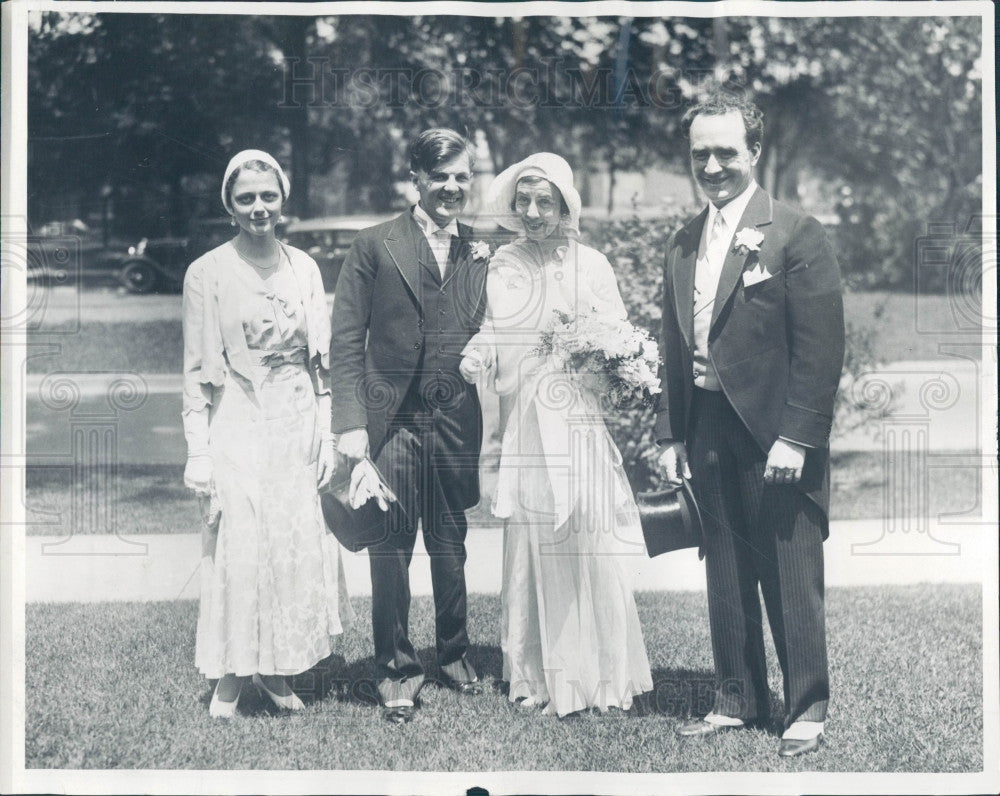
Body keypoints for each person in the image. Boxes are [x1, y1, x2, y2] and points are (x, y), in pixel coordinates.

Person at [655, 90, 845, 756]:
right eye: (700, 152)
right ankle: (736, 698)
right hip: (706, 425)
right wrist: (671, 433)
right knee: (726, 568)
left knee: (791, 569)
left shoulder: (796, 232)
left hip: (774, 431)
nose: (711, 165)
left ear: (754, 152)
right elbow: (673, 342)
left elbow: (822, 351)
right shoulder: (684, 240)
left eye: (725, 152)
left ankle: (807, 707)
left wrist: (797, 436)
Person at [461, 153, 653, 717]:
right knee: (535, 540)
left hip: (574, 420)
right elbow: (495, 330)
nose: (534, 211)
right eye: (524, 201)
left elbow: (616, 336)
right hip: (526, 422)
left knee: (585, 536)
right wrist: (478, 355)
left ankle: (598, 675)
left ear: (565, 203)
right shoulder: (504, 263)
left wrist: (598, 358)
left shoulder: (592, 263)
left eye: (545, 201)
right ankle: (539, 678)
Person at [182, 150, 353, 719]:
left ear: (283, 199)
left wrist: (328, 437)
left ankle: (278, 673)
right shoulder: (206, 272)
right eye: (246, 198)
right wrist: (198, 452)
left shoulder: (304, 267)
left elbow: (322, 362)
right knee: (241, 547)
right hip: (238, 420)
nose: (259, 208)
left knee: (290, 549)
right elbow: (195, 372)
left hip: (297, 421)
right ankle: (230, 678)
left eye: (268, 196)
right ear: (229, 204)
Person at [329, 128, 489, 724]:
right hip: (389, 422)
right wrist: (349, 424)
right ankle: (395, 669)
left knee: (451, 545)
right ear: (416, 179)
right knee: (389, 546)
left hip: (455, 421)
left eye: (461, 176)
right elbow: (345, 340)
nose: (451, 187)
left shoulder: (481, 250)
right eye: (439, 175)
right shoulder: (374, 245)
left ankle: (454, 654)